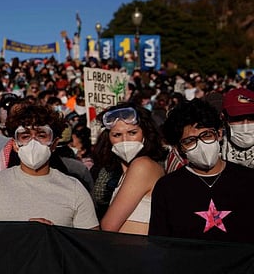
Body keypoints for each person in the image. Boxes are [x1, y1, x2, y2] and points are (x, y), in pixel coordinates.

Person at [0, 102, 99, 229]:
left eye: (42, 135)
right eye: (25, 136)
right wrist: (21, 234)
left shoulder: (74, 189)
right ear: (14, 144)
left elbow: (89, 244)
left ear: (54, 144)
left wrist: (53, 236)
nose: (33, 142)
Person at [149, 99, 254, 243]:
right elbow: (160, 244)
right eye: (190, 141)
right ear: (180, 148)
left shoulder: (248, 180)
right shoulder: (167, 188)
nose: (201, 145)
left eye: (206, 135)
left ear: (219, 134)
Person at [99, 103, 166, 235]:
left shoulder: (142, 166)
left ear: (146, 134)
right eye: (117, 135)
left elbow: (108, 225)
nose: (125, 140)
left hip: (139, 252)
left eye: (132, 133)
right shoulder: (125, 172)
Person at [220, 87, 254, 168]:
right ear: (224, 118)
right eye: (238, 118)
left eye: (252, 118)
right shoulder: (215, 151)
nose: (245, 125)